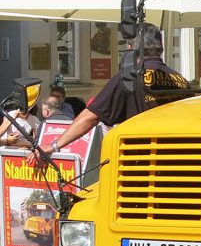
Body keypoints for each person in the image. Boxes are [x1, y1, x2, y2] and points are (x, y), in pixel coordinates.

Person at [33, 23, 190, 163]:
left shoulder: (130, 77)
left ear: (131, 48)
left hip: (141, 168)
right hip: (180, 166)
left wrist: (54, 145)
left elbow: (91, 116)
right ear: (160, 46)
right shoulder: (182, 82)